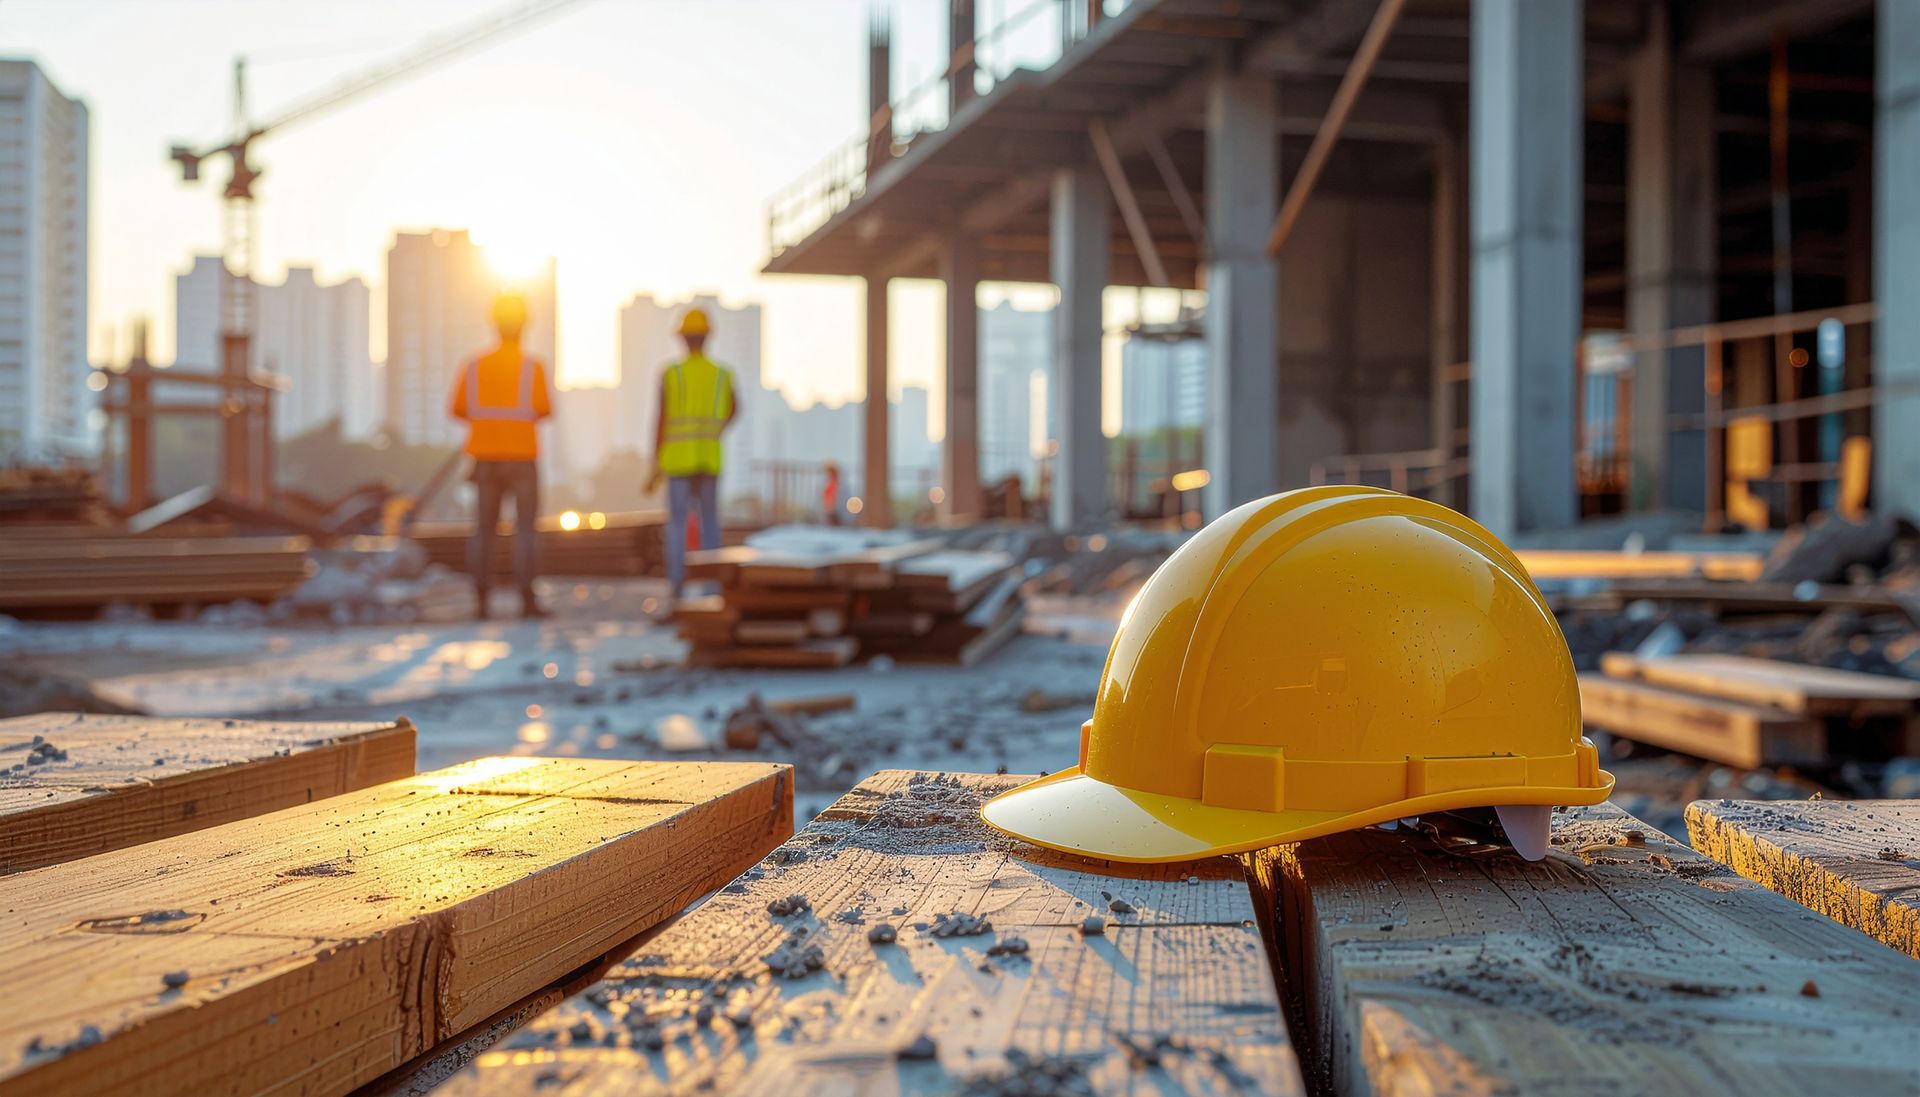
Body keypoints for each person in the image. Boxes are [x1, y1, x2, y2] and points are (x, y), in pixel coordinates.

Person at [450, 293, 552, 619]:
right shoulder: (532, 367)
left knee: (483, 531)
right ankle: (527, 601)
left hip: (485, 459)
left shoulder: (474, 366)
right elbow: (544, 410)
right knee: (525, 530)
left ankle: (481, 602)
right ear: (523, 326)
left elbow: (457, 409)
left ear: (494, 325)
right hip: (522, 457)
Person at [648, 307, 735, 599]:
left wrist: (654, 464)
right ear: (708, 337)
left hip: (678, 461)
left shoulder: (671, 374)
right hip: (709, 459)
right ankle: (712, 589)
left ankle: (677, 591)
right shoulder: (722, 374)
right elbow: (735, 409)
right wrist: (715, 431)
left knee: (677, 526)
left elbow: (660, 420)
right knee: (710, 526)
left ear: (683, 338)